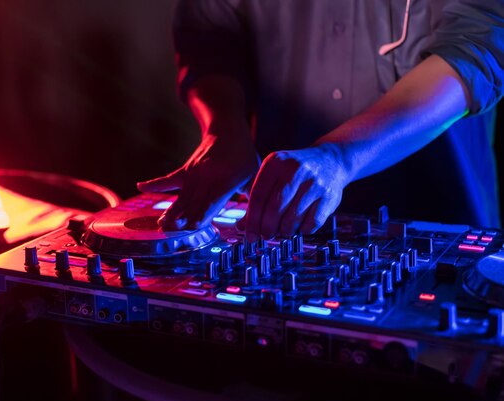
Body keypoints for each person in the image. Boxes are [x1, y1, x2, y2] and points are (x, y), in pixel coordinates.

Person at [137, 0, 504, 240]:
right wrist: (223, 129)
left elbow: (478, 49)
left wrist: (340, 158)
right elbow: (209, 34)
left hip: (440, 232)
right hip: (278, 232)